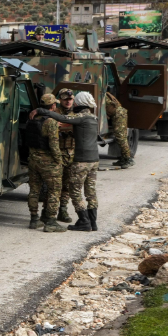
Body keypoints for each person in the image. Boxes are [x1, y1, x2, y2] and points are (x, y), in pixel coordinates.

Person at [36, 91, 100, 231]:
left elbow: (62, 118)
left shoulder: (81, 117)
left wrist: (41, 110)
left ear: (80, 103)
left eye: (75, 101)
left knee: (75, 190)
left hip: (82, 160)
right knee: (91, 192)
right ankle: (92, 223)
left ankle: (84, 221)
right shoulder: (93, 117)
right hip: (94, 160)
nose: (73, 103)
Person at [25, 94, 66, 232]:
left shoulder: (31, 119)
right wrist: (59, 161)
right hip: (48, 162)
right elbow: (54, 145)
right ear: (53, 106)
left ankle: (34, 219)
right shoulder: (51, 122)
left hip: (33, 159)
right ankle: (51, 222)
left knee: (34, 190)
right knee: (54, 190)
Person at [53, 89, 76, 224]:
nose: (68, 101)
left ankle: (63, 210)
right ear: (60, 100)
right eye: (65, 99)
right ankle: (49, 213)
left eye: (70, 99)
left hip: (71, 154)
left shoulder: (77, 114)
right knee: (54, 185)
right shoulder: (54, 114)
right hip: (57, 154)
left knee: (67, 185)